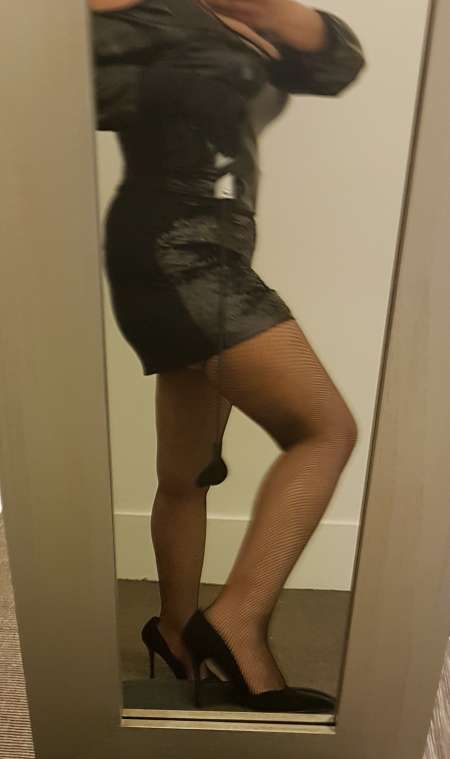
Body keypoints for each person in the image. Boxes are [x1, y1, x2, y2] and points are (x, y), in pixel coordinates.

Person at [91, 0, 365, 712]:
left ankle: (174, 633)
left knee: (187, 472)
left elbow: (336, 63)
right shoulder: (143, 17)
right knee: (326, 429)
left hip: (210, 248)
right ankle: (237, 622)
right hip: (177, 250)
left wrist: (267, 12)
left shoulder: (235, 14)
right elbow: (57, 72)